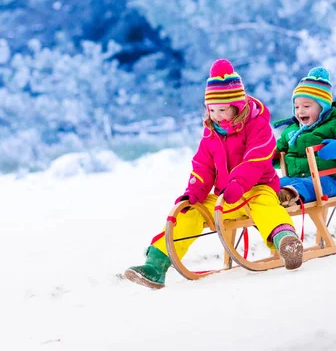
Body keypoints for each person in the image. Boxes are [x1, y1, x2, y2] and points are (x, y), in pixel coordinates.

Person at [124, 59, 303, 289]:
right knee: (189, 213)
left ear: (237, 106)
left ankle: (286, 242)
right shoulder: (211, 134)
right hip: (223, 196)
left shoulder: (258, 126)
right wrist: (195, 191)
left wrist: (239, 182)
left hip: (257, 188)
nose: (216, 115)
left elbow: (257, 158)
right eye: (212, 110)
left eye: (222, 110)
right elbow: (203, 165)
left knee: (266, 207)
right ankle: (156, 265)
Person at [273, 67, 336, 206]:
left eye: (306, 106)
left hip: (329, 180)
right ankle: (266, 197)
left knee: (307, 185)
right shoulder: (292, 130)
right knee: (272, 185)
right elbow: (277, 150)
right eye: (296, 107)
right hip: (293, 179)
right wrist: (266, 159)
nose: (300, 112)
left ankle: (288, 196)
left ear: (322, 107)